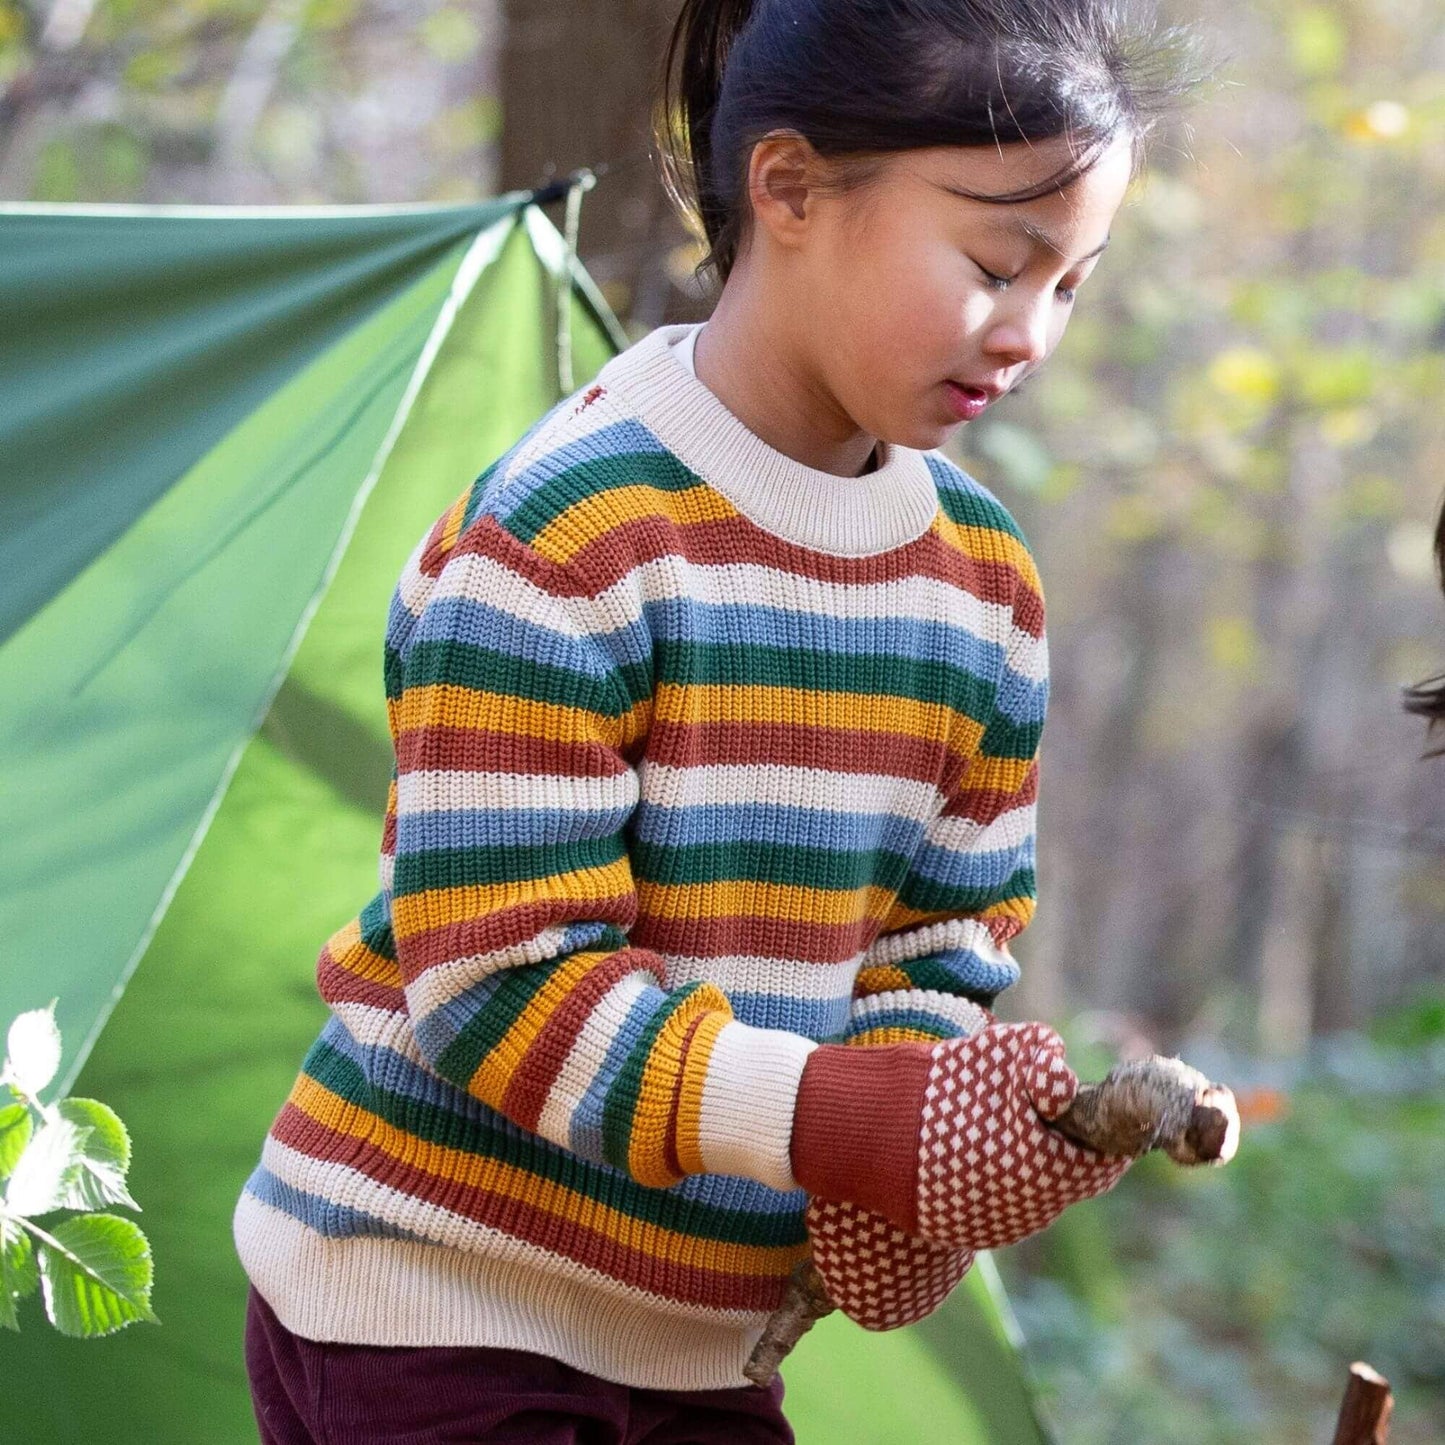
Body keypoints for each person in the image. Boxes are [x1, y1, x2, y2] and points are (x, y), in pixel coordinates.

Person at [234, 1, 1210, 1440]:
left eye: (1069, 285)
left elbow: (941, 940)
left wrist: (904, 1147)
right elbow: (500, 982)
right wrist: (836, 1117)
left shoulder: (982, 587)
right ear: (792, 187)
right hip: (433, 1297)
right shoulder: (573, 530)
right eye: (996, 265)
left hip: (700, 1339)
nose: (1029, 332)